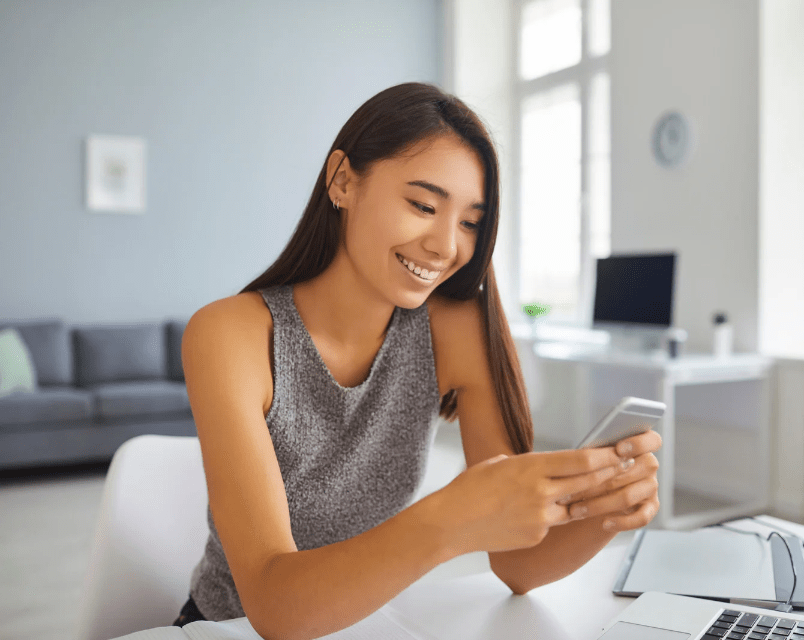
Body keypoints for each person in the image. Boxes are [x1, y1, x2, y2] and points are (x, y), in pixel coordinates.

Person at [172, 82, 662, 639]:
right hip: (227, 631)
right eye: (424, 206)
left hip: (364, 625)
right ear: (342, 181)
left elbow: (518, 564)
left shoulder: (456, 327)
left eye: (470, 222)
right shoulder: (230, 334)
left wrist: (600, 510)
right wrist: (449, 520)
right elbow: (274, 606)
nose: (446, 246)